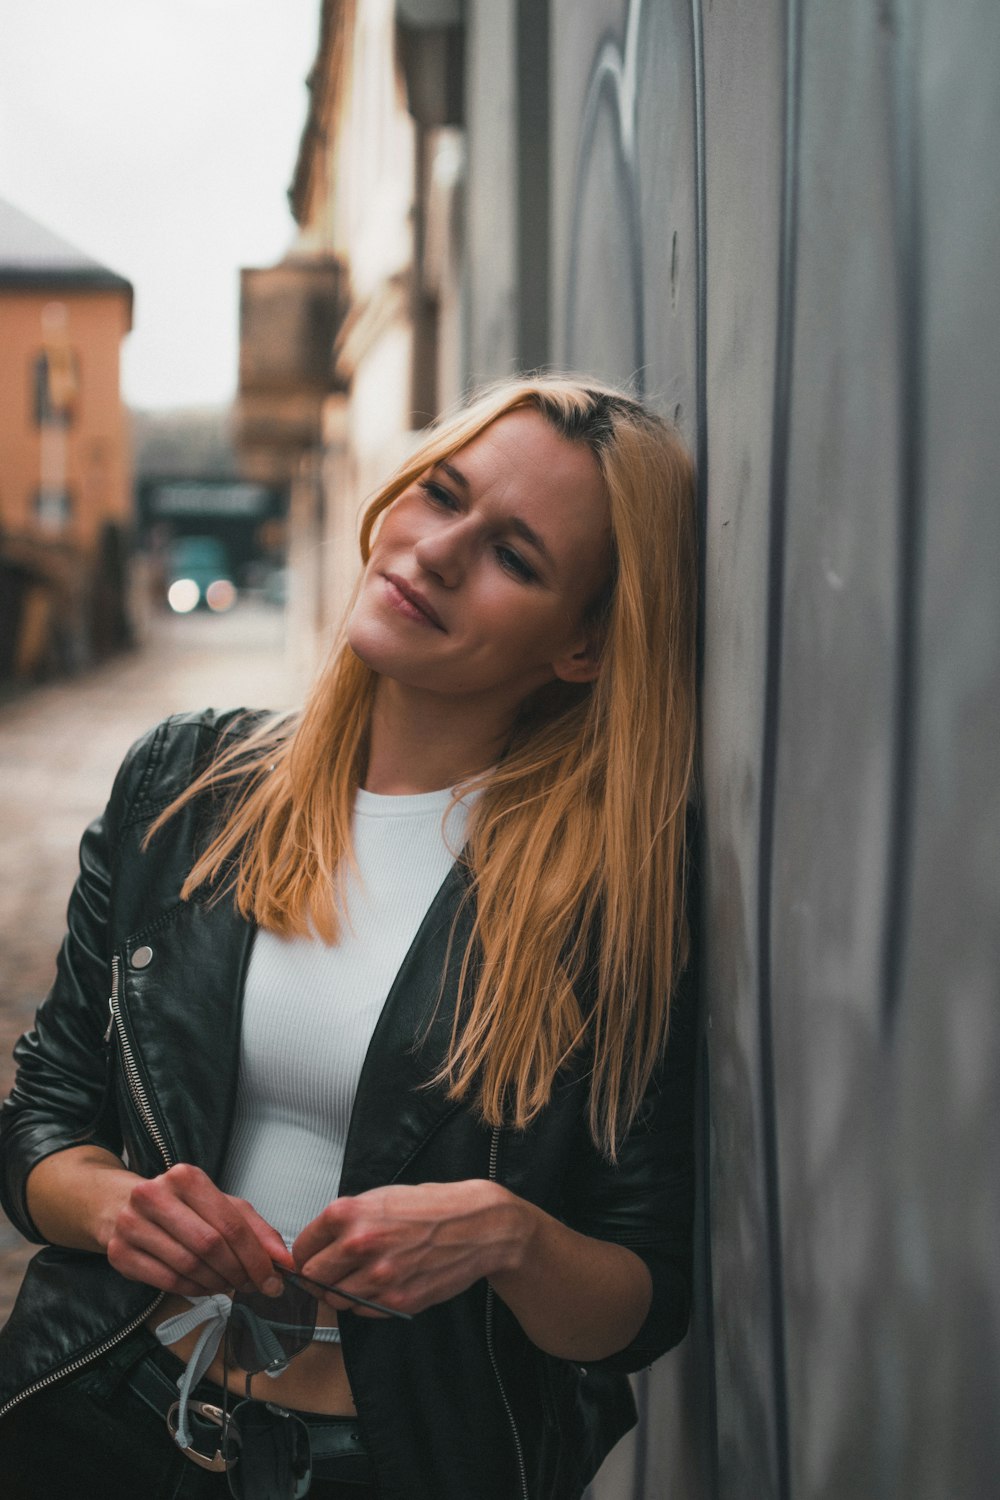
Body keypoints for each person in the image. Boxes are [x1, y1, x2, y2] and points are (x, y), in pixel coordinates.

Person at [0, 376, 698, 1500]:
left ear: (581, 647)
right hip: (106, 1416)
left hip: (394, 1462)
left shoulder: (609, 892)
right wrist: (120, 1209)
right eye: (441, 494)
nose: (433, 551)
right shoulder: (184, 785)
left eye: (515, 556)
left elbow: (640, 1301)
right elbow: (39, 1125)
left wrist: (509, 1237)